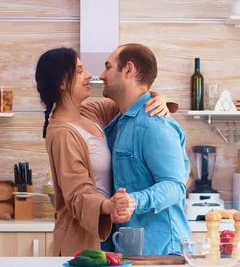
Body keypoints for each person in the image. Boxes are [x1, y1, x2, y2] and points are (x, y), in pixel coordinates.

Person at [34, 47, 177, 256]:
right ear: (63, 83)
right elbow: (77, 195)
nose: (90, 76)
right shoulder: (62, 133)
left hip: (111, 234)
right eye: (80, 70)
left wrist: (158, 96)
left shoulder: (92, 112)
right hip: (83, 239)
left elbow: (130, 99)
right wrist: (108, 206)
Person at [99, 43, 191, 255]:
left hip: (162, 255)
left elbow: (176, 186)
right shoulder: (120, 122)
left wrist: (134, 200)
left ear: (129, 70)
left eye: (108, 67)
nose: (102, 75)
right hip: (133, 253)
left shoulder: (154, 124)